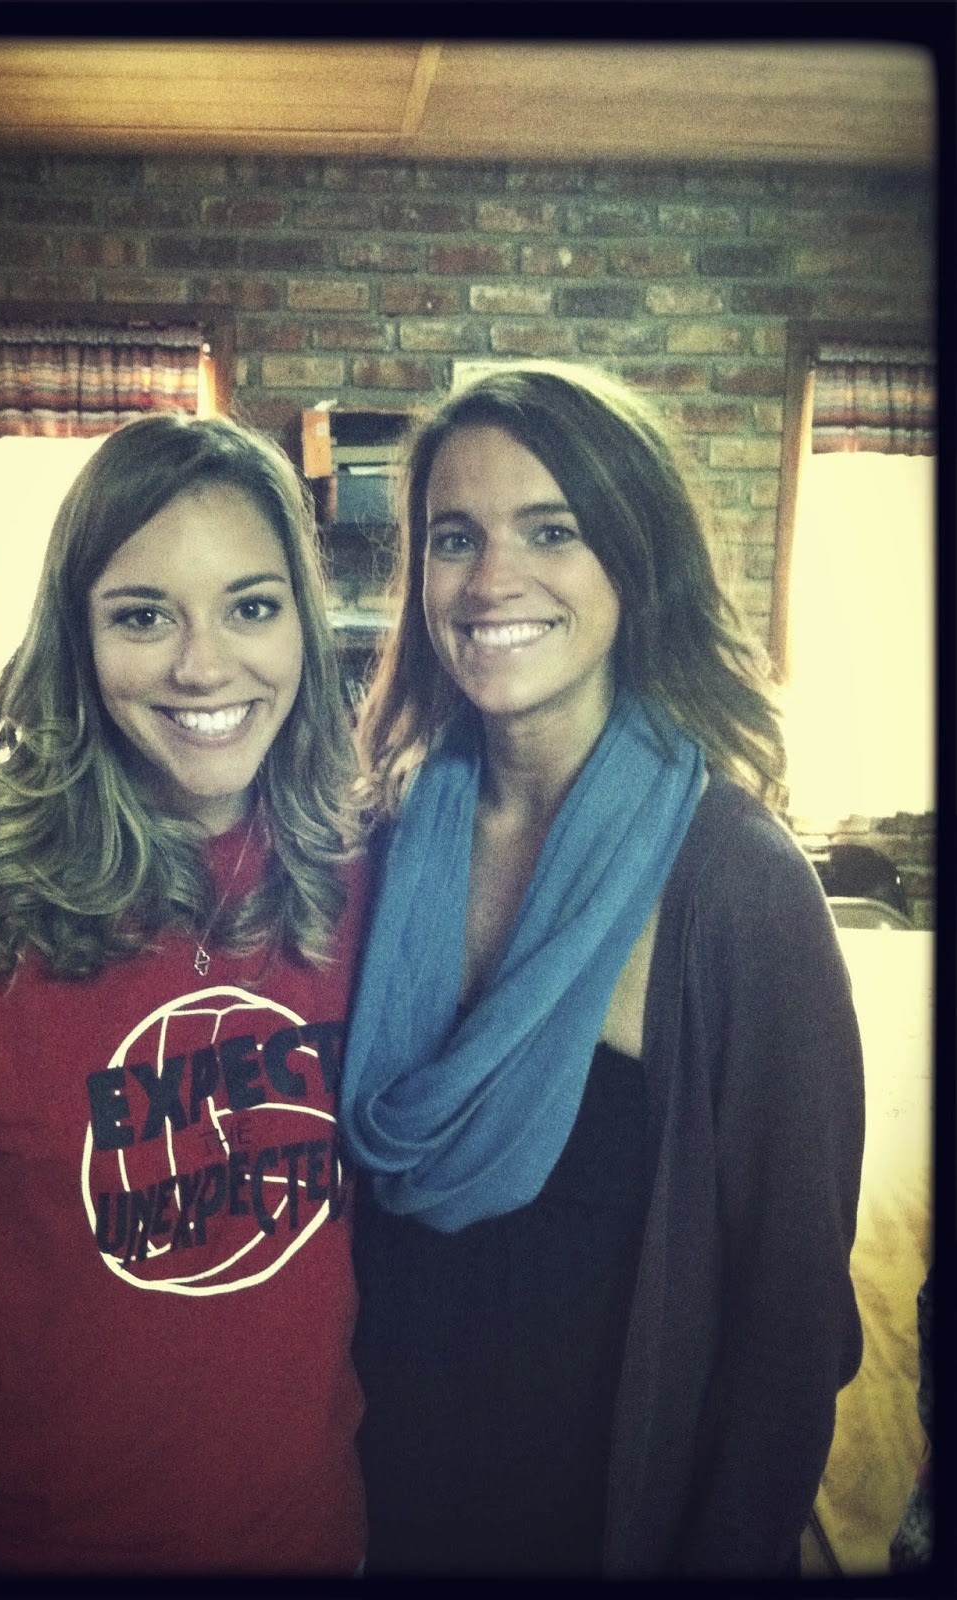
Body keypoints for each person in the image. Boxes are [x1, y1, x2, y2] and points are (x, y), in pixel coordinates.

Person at [0, 413, 370, 1575]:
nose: (204, 665)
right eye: (143, 615)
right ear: (74, 635)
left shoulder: (357, 874)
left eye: (252, 606)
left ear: (304, 624)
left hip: (316, 1542)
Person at [339, 364, 864, 1577]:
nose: (490, 581)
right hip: (372, 1514)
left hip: (605, 1532)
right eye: (454, 537)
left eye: (551, 531)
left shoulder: (734, 887)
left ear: (634, 559)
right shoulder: (381, 843)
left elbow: (790, 1326)